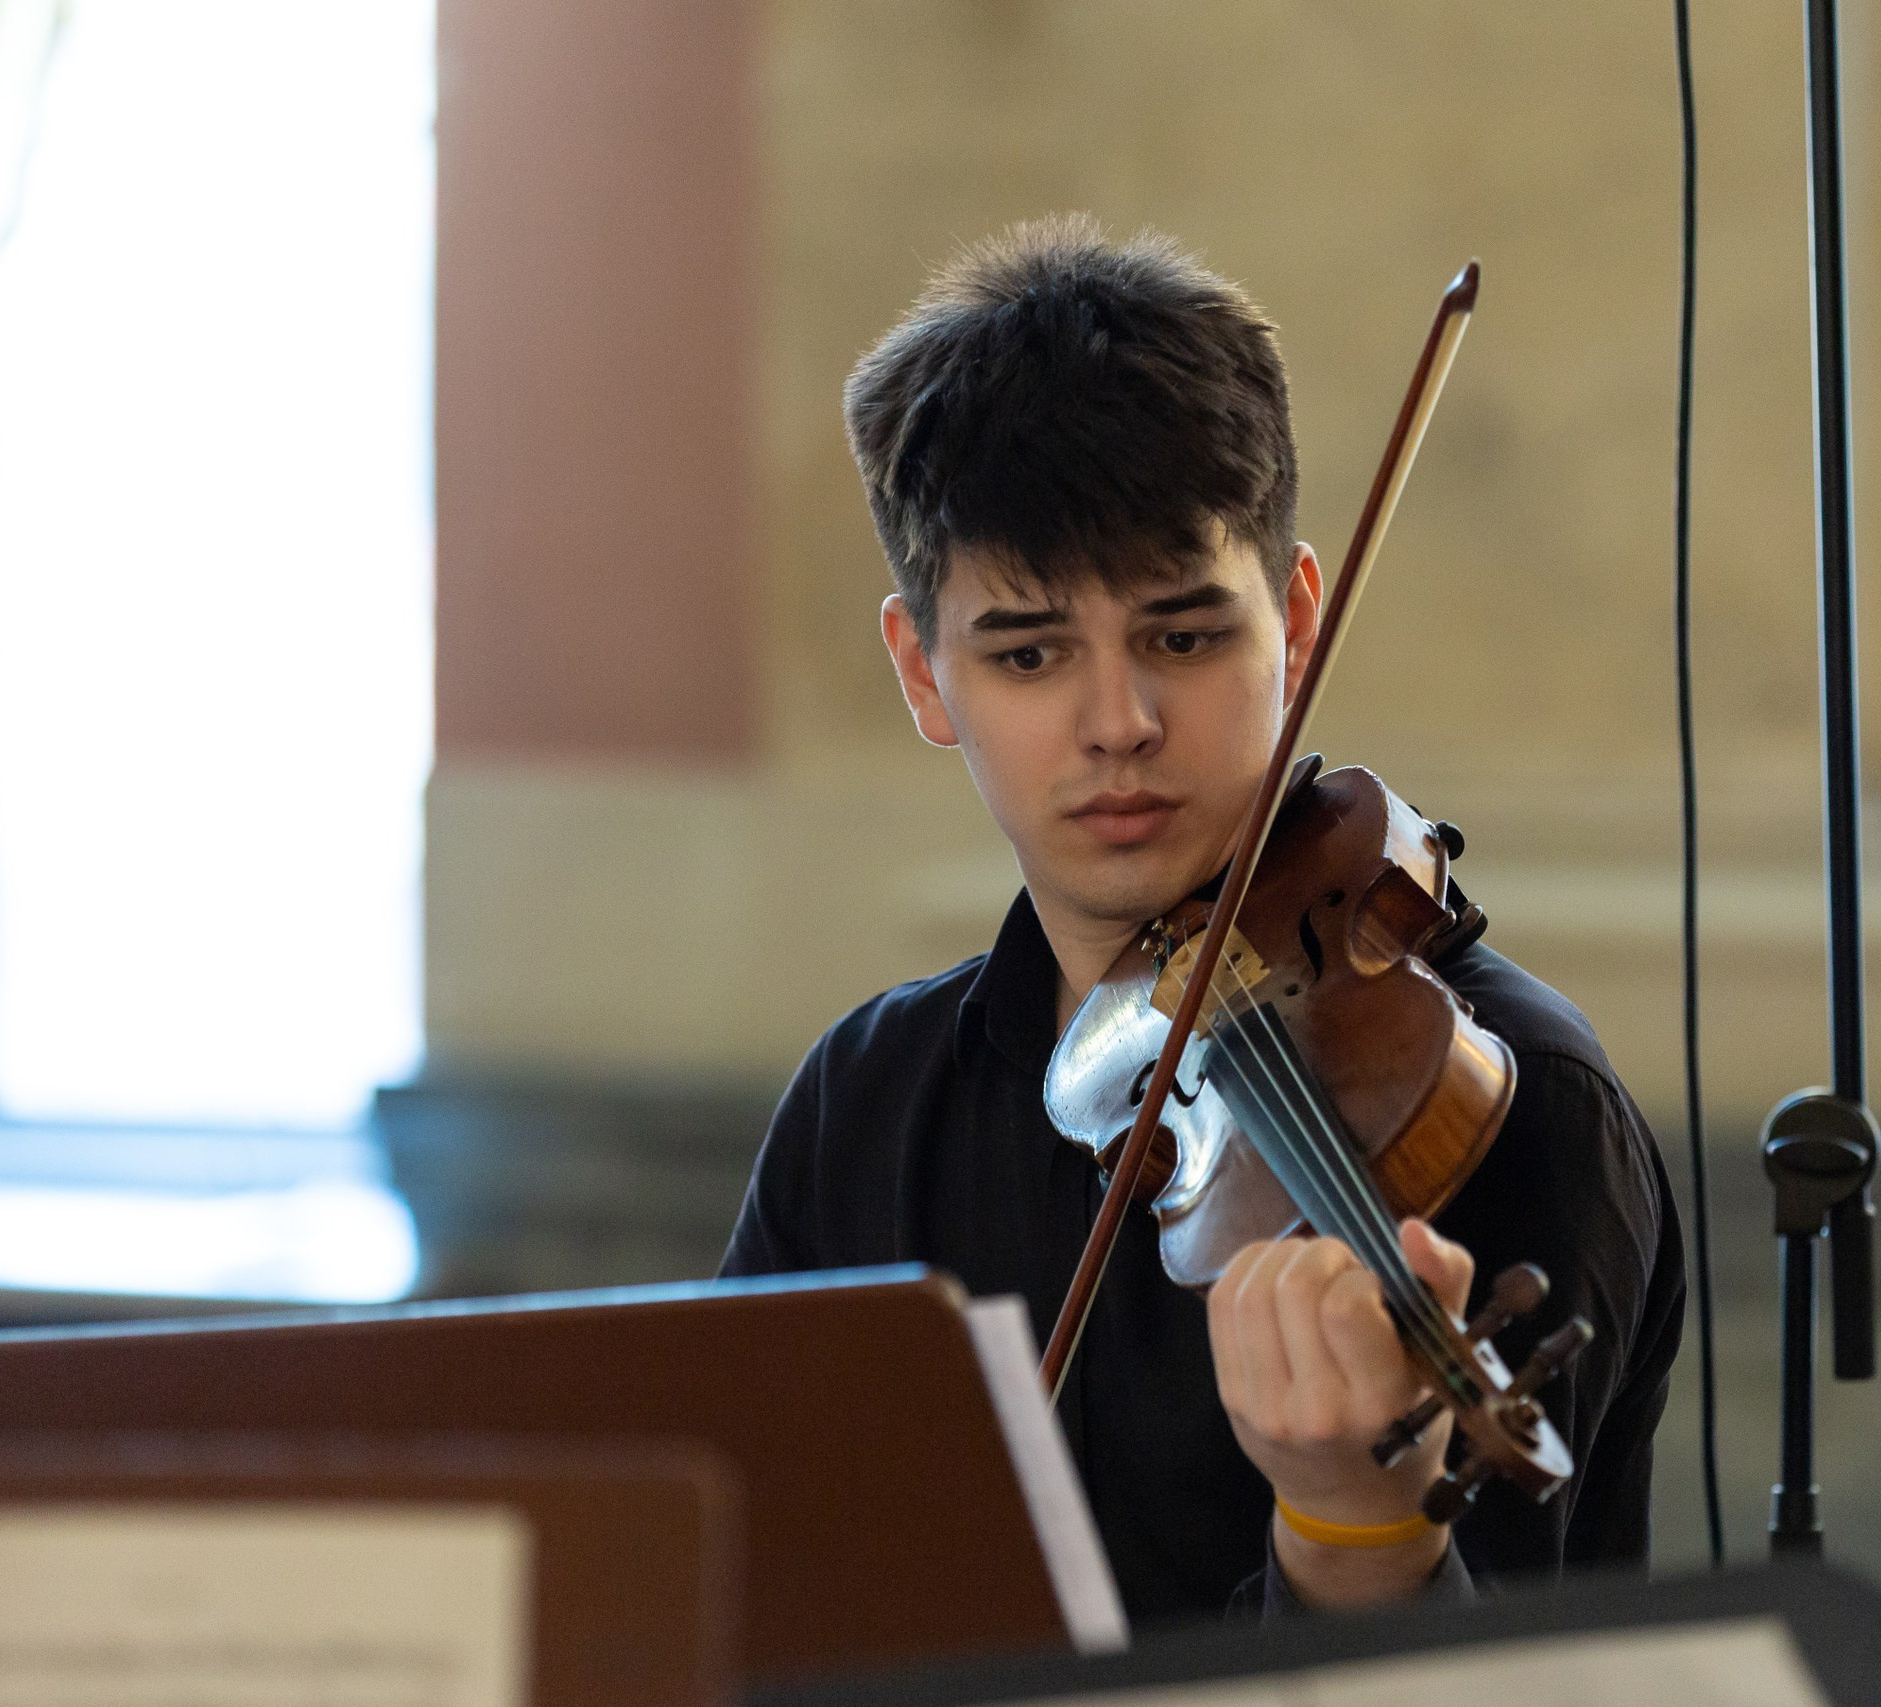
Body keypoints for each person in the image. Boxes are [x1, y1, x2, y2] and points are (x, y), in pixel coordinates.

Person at [720, 215, 1684, 1626]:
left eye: (1184, 635)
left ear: (1297, 623)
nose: (1120, 724)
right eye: (1030, 653)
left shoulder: (1512, 1102)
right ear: (924, 676)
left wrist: (1353, 1535)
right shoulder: (868, 1104)